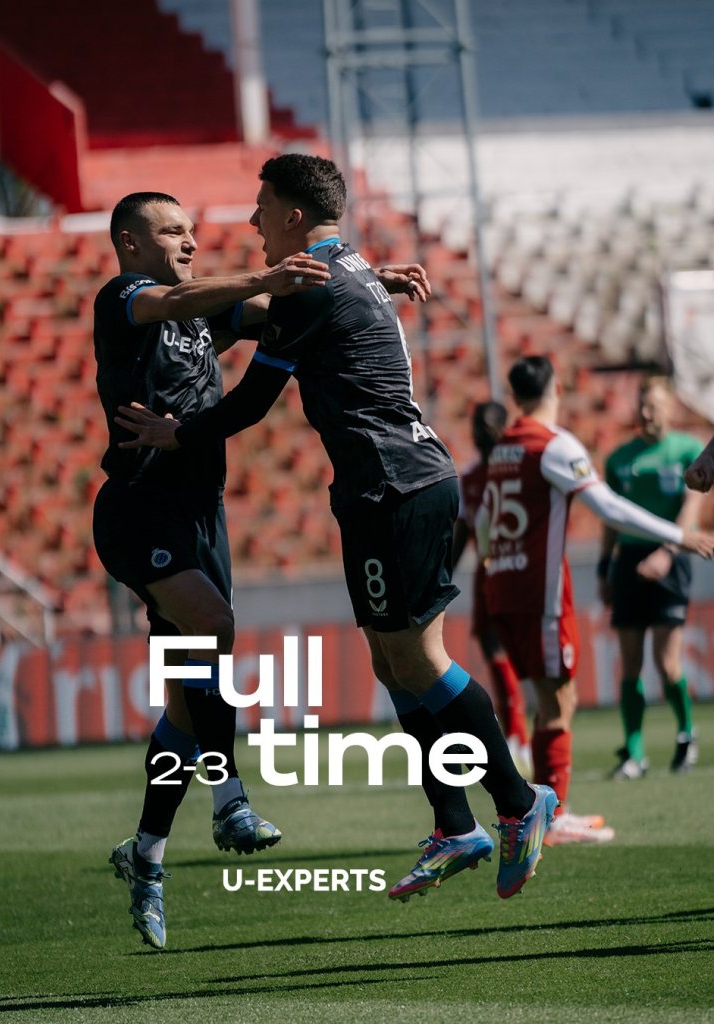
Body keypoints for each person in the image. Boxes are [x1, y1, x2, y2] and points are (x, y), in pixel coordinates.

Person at [115, 153, 561, 907]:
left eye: (262, 207)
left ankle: (519, 801)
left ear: (293, 215)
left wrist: (175, 433)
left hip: (395, 484)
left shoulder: (316, 287)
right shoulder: (343, 271)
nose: (252, 221)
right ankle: (454, 824)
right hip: (381, 486)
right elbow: (270, 307)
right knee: (394, 664)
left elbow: (250, 402)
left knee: (417, 660)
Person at [95, 190, 430, 948]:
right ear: (131, 243)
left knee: (188, 705)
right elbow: (177, 300)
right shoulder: (124, 299)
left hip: (199, 517)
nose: (189, 241)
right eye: (171, 232)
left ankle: (146, 855)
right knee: (213, 625)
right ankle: (231, 802)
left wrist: (369, 278)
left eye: (190, 230)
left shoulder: (201, 316)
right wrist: (262, 278)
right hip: (140, 507)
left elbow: (291, 310)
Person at [479, 357, 713, 845]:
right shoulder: (553, 444)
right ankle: (549, 816)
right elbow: (605, 506)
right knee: (558, 700)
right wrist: (678, 536)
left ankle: (544, 810)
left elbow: (483, 521)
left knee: (553, 698)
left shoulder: (502, 448)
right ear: (556, 389)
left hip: (502, 584)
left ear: (515, 397)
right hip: (540, 591)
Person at [599, 376, 706, 779]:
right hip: (629, 561)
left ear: (671, 408)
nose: (646, 413)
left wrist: (668, 552)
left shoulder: (689, 451)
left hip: (671, 559)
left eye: (654, 406)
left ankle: (686, 734)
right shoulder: (619, 459)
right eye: (642, 405)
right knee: (630, 662)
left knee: (666, 662)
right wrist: (605, 567)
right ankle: (634, 753)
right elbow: (611, 517)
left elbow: (691, 511)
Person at [451, 401, 530, 773]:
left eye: (485, 427)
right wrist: (442, 577)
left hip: (519, 568)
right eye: (476, 427)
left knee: (515, 653)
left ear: (502, 429)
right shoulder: (468, 478)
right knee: (493, 649)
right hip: (487, 574)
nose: (479, 434)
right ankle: (516, 735)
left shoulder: (518, 472)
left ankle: (521, 736)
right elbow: (463, 531)